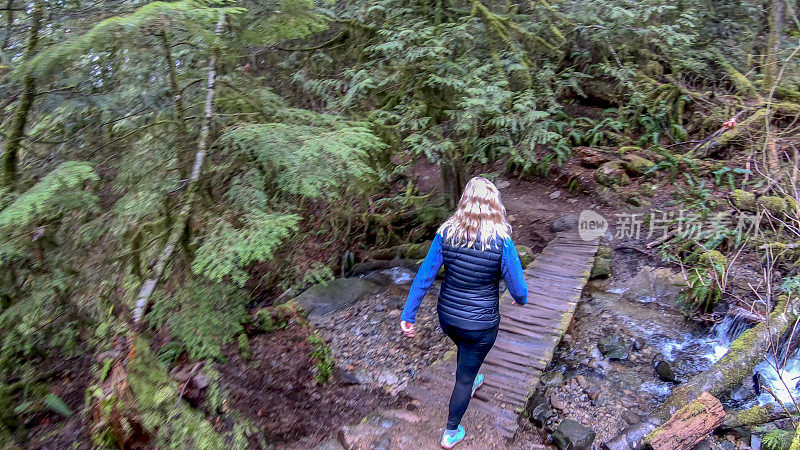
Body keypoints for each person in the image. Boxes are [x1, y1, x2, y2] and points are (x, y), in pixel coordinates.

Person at [399, 176, 528, 449]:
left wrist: (408, 315)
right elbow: (520, 290)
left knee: (466, 348)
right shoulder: (501, 241)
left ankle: (473, 374)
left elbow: (424, 276)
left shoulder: (446, 233)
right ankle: (451, 432)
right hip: (481, 325)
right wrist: (519, 300)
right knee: (464, 377)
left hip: (448, 318)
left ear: (464, 202)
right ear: (494, 204)